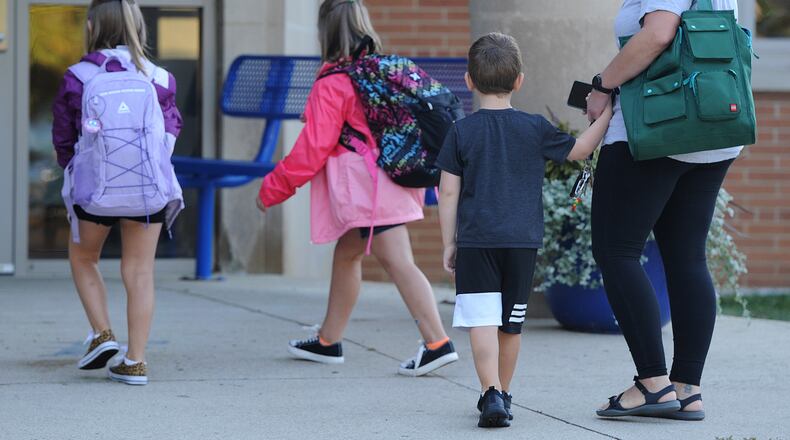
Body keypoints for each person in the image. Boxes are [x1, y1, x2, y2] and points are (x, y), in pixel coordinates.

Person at [256, 0, 458, 377]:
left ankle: (436, 342)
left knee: (398, 261)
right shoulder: (379, 72)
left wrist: (273, 188)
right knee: (347, 254)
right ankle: (328, 341)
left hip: (368, 190)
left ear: (325, 33)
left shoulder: (334, 82)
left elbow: (311, 149)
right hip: (387, 180)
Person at [437, 32, 613, 428]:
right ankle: (504, 393)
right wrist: (606, 114)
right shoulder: (534, 128)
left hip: (477, 241)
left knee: (480, 320)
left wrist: (450, 242)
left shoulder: (461, 132)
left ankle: (489, 393)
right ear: (520, 81)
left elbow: (448, 192)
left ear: (469, 81)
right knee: (510, 324)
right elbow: (580, 150)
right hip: (521, 242)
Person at [586, 0, 742, 420]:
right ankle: (687, 388)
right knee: (686, 256)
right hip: (712, 125)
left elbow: (659, 33)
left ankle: (653, 383)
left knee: (616, 249)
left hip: (658, 126)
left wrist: (601, 86)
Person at [52, 0, 183, 385]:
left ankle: (102, 333)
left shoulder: (77, 76)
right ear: (138, 28)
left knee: (83, 258)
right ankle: (135, 361)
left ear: (91, 26)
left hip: (96, 190)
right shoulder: (160, 78)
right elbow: (171, 133)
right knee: (140, 271)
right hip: (148, 191)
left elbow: (63, 137)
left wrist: (75, 172)